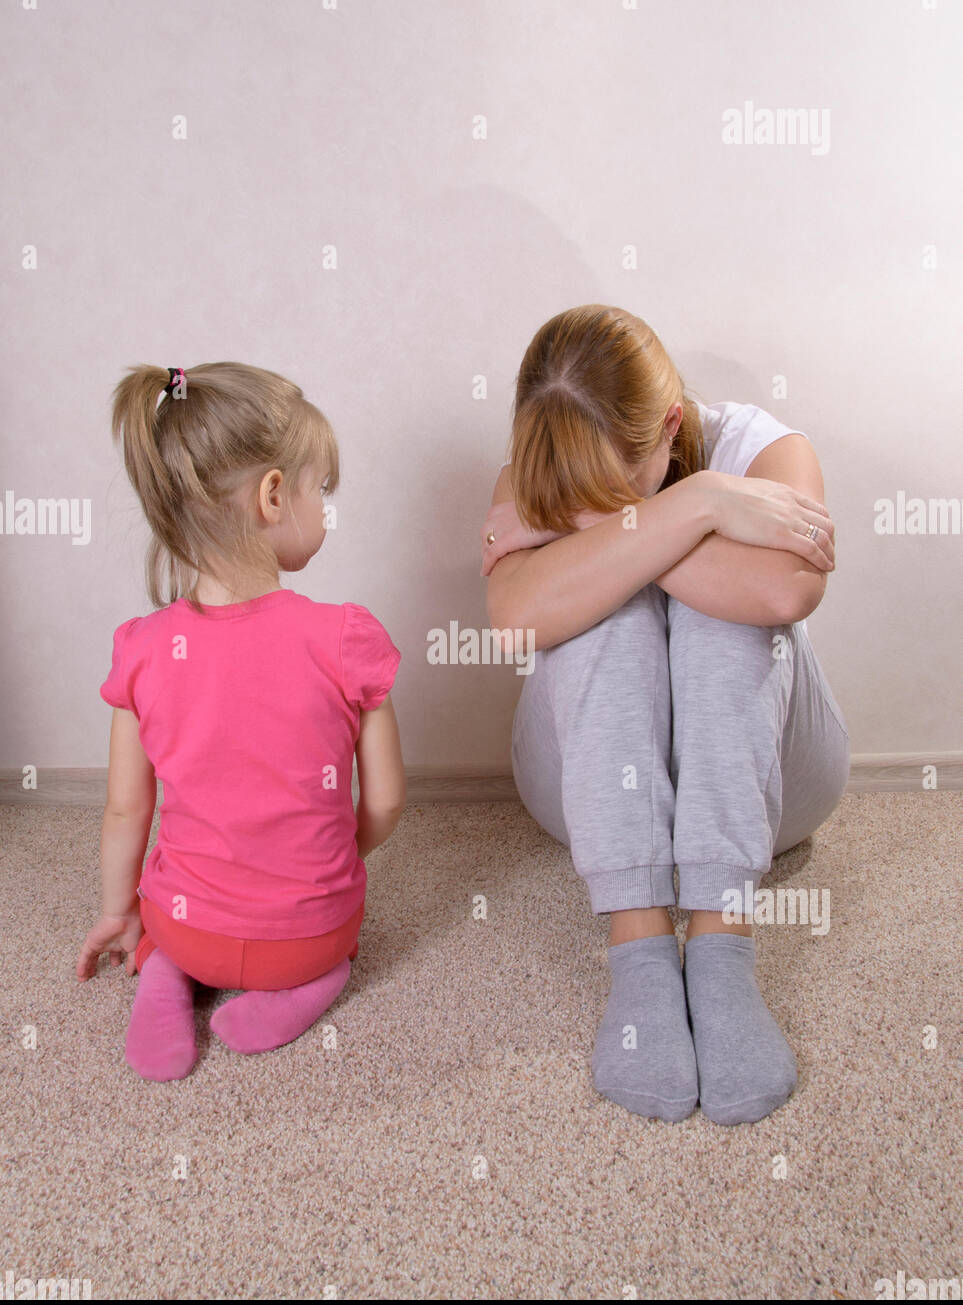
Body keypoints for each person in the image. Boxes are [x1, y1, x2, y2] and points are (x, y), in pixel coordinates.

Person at [481, 306, 850, 1124]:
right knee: (596, 624)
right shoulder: (545, 455)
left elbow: (785, 590)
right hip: (581, 792)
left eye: (611, 486)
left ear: (672, 426)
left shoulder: (764, 448)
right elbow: (517, 620)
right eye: (575, 499)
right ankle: (640, 950)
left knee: (727, 620)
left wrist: (588, 537)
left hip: (777, 787)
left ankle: (722, 946)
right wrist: (701, 509)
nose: (585, 500)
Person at [76, 362, 405, 1082]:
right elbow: (384, 802)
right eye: (322, 490)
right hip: (309, 934)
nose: (323, 508)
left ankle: (165, 972)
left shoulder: (141, 648)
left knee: (169, 934)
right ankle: (308, 984)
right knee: (328, 951)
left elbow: (125, 808)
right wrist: (322, 862)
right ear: (274, 494)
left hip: (183, 924)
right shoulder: (347, 637)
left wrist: (120, 911)